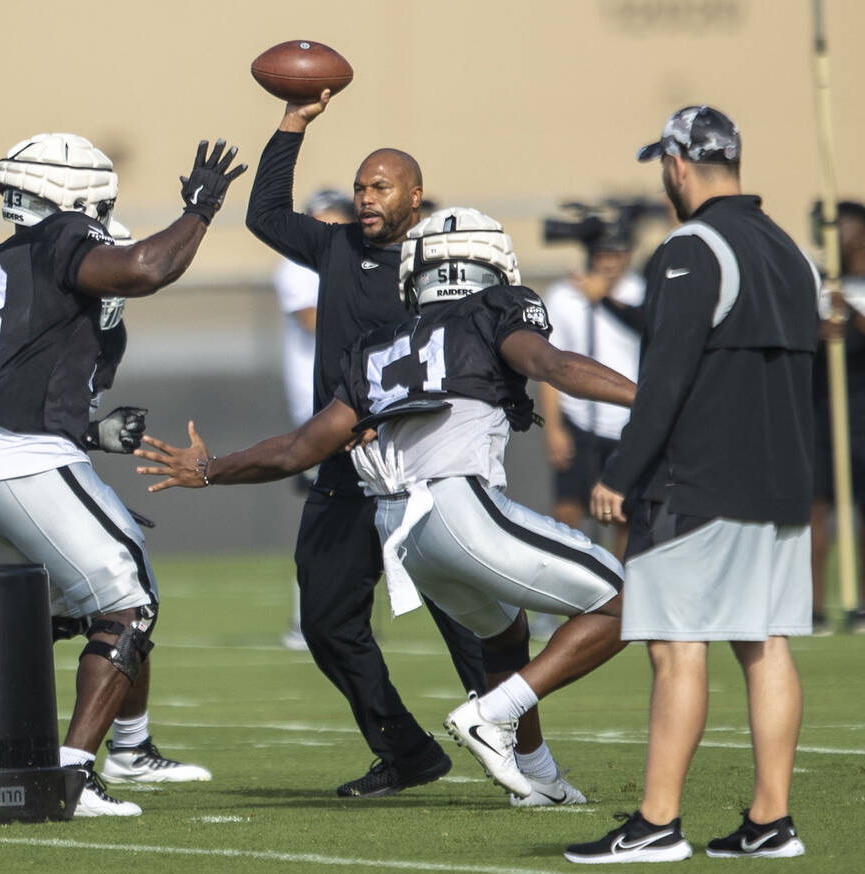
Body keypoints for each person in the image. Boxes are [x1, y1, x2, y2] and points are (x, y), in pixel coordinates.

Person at [138, 207, 638, 808]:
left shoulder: (377, 343)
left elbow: (300, 448)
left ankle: (539, 780)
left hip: (404, 534)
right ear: (492, 262)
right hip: (461, 508)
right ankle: (492, 715)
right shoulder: (493, 311)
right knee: (627, 602)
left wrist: (212, 468)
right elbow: (553, 366)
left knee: (504, 638)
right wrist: (651, 399)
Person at [0, 133, 244, 817]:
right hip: (23, 456)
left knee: (37, 616)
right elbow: (145, 267)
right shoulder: (62, 237)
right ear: (73, 192)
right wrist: (200, 210)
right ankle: (71, 775)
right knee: (129, 602)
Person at [567, 106, 817, 863]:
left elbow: (665, 380)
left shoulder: (689, 247)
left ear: (678, 164)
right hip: (780, 485)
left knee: (677, 649)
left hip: (698, 485)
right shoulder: (793, 253)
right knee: (765, 643)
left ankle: (656, 823)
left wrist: (620, 473)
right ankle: (772, 821)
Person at [245, 91, 489, 799]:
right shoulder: (337, 246)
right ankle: (407, 752)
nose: (365, 198)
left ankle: (522, 746)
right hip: (343, 467)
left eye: (380, 187)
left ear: (416, 194)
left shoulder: (439, 265)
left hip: (418, 466)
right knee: (325, 619)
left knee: (463, 614)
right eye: (359, 187)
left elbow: (464, 354)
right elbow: (264, 216)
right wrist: (293, 124)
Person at [273, 188, 355, 651]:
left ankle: (337, 616)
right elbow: (315, 320)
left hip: (359, 404)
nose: (329, 231)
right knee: (325, 514)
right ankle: (308, 618)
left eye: (336, 221)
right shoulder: (297, 265)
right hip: (321, 408)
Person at [541, 228, 645, 560]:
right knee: (567, 513)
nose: (611, 263)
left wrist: (604, 298)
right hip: (579, 420)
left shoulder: (641, 292)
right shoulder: (562, 296)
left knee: (625, 515)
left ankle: (621, 600)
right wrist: (554, 428)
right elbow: (549, 364)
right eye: (603, 255)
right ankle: (555, 600)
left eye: (618, 254)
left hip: (627, 422)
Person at [810, 200, 865, 634]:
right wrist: (819, 330)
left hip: (861, 413)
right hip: (820, 413)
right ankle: (814, 608)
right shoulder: (817, 281)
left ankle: (860, 604)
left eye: (842, 226)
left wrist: (854, 315)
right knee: (815, 509)